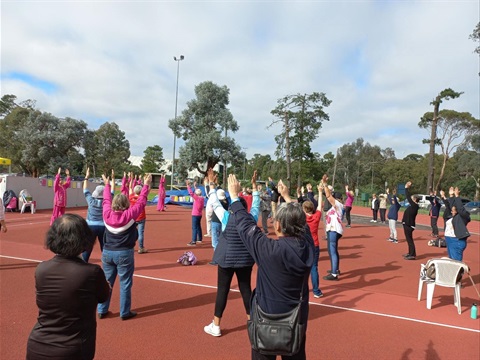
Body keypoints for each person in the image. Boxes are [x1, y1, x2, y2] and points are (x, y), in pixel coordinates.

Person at [228, 174, 314, 360]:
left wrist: (235, 198)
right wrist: (288, 198)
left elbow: (245, 225)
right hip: (295, 323)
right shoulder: (308, 248)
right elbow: (304, 226)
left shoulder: (269, 249)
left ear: (277, 226)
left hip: (265, 322)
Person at [26, 214, 110, 360]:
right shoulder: (91, 272)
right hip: (73, 348)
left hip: (37, 344)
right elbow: (104, 296)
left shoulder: (41, 269)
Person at [203, 169, 259, 338]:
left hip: (227, 259)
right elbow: (256, 204)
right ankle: (252, 324)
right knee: (246, 290)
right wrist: (255, 187)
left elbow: (215, 203)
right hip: (245, 259)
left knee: (222, 291)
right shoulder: (252, 218)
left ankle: (216, 324)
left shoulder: (227, 218)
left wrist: (211, 184)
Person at [97, 173, 152, 320]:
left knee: (107, 282)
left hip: (107, 252)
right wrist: (146, 185)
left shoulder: (107, 214)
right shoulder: (129, 215)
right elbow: (141, 202)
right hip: (124, 253)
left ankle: (102, 309)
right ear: (126, 204)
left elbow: (106, 200)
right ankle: (124, 312)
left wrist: (107, 185)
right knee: (125, 284)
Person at [303, 182, 324, 298]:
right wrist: (320, 192)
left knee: (302, 268)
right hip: (314, 244)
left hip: (303, 245)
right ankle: (316, 291)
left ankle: (301, 290)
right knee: (314, 267)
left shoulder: (302, 217)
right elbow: (320, 205)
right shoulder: (316, 217)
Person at [82, 167, 106, 262]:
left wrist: (86, 177)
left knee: (88, 245)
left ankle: (84, 262)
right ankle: (106, 263)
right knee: (104, 246)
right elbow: (111, 191)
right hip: (104, 226)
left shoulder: (91, 200)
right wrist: (107, 181)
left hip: (91, 226)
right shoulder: (107, 201)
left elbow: (85, 189)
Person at [322, 175, 344, 281]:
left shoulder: (338, 204)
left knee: (332, 250)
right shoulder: (337, 205)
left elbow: (328, 195)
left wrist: (325, 183)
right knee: (332, 250)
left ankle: (334, 274)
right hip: (333, 229)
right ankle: (335, 269)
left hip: (334, 229)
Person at [443, 187, 471, 261]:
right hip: (449, 239)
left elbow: (460, 208)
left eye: (454, 211)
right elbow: (452, 206)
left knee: (455, 263)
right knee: (452, 261)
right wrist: (451, 196)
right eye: (452, 211)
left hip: (456, 240)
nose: (452, 212)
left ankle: (459, 272)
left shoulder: (463, 217)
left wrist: (457, 196)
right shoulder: (454, 217)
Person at [209, 187, 230, 265]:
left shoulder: (219, 202)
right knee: (221, 240)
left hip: (215, 221)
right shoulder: (226, 202)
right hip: (222, 222)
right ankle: (221, 257)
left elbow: (212, 199)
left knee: (215, 241)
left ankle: (217, 259)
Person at [129, 183, 150, 254]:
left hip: (133, 217)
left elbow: (130, 188)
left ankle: (128, 246)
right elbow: (147, 191)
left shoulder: (131, 196)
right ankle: (141, 248)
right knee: (140, 233)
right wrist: (147, 183)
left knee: (130, 232)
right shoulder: (143, 198)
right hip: (141, 217)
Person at [401, 182, 420, 260]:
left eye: (412, 199)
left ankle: (412, 254)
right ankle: (410, 253)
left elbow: (408, 197)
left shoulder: (415, 205)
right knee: (409, 240)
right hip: (407, 224)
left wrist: (406, 188)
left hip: (409, 225)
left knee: (410, 240)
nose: (410, 200)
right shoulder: (413, 206)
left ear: (415, 200)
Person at [187, 180, 205, 246]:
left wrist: (188, 186)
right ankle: (199, 238)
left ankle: (193, 241)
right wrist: (195, 186)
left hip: (195, 214)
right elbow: (196, 193)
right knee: (198, 226)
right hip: (200, 214)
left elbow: (191, 193)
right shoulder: (202, 198)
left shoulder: (197, 198)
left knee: (194, 227)